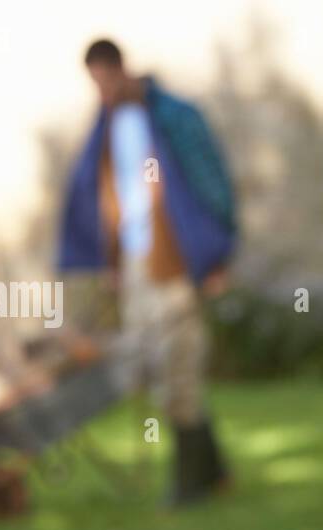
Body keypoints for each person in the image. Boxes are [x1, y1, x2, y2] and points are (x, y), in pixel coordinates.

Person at [58, 37, 236, 506]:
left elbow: (210, 181)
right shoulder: (107, 127)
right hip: (135, 264)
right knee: (157, 366)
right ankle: (213, 472)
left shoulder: (173, 116)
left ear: (120, 69)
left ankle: (190, 483)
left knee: (178, 360)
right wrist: (112, 261)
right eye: (93, 84)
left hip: (174, 260)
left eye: (105, 80)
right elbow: (105, 198)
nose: (101, 91)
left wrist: (216, 257)